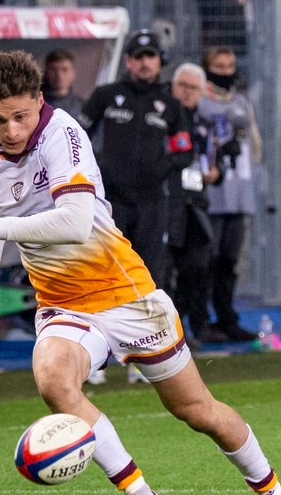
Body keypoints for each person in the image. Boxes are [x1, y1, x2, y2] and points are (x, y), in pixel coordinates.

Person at [0, 50, 281, 495]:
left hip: (125, 295)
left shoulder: (63, 134)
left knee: (196, 411)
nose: (11, 128)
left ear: (40, 102)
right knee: (53, 382)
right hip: (63, 301)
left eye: (21, 116)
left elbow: (71, 221)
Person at [79, 29, 193, 294]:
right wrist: (98, 166)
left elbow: (184, 152)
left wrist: (160, 168)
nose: (145, 63)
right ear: (128, 61)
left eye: (150, 56)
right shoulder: (105, 95)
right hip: (110, 200)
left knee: (149, 273)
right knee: (107, 269)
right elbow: (75, 137)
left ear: (159, 61)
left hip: (152, 202)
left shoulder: (170, 105)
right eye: (138, 57)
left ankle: (151, 333)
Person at [198, 46, 262, 343]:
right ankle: (200, 321)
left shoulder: (241, 102)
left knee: (228, 261)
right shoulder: (201, 102)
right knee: (205, 261)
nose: (225, 71)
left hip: (238, 192)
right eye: (219, 65)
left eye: (229, 65)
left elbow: (253, 146)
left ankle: (226, 318)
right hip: (211, 194)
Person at [167, 63, 226, 348]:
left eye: (193, 88)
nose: (188, 92)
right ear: (173, 86)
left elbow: (218, 161)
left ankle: (191, 324)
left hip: (195, 204)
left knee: (198, 265)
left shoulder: (205, 123)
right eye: (183, 86)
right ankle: (167, 334)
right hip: (166, 204)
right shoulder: (162, 116)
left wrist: (217, 172)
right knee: (162, 272)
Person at [41, 50, 85, 118]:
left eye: (65, 70)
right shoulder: (36, 104)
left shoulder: (83, 107)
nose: (59, 75)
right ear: (46, 73)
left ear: (73, 73)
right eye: (53, 70)